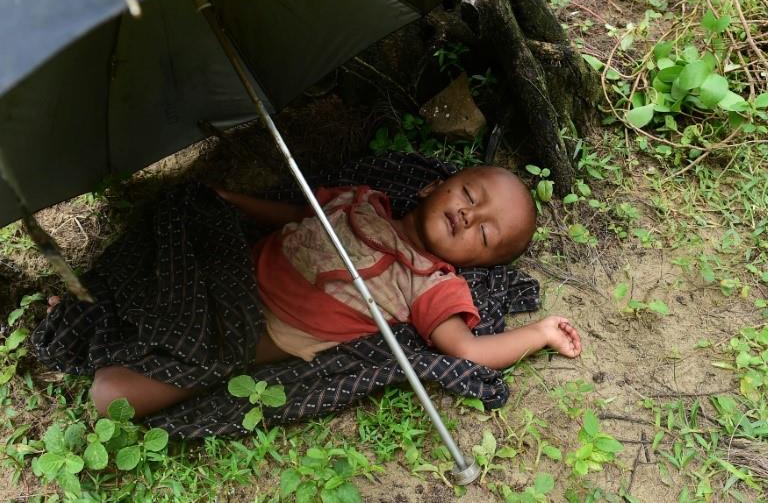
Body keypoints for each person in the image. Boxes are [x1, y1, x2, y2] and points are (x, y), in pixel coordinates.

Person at [80, 165, 581, 417]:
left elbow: (468, 349)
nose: (470, 215)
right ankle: (96, 316)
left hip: (253, 335)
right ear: (432, 187)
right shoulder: (360, 201)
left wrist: (537, 333)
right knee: (161, 267)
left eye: (485, 234)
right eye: (470, 195)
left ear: (472, 264)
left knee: (110, 396)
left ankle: (128, 356)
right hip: (226, 276)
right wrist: (233, 201)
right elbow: (295, 216)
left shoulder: (431, 282)